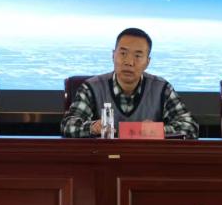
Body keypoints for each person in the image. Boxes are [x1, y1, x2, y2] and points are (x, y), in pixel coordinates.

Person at [61, 27, 198, 139]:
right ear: (113, 55)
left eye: (137, 56)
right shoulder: (91, 88)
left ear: (147, 62)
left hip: (147, 159)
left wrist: (158, 130)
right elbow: (68, 126)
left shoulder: (162, 89)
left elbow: (190, 127)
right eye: (123, 53)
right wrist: (92, 127)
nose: (129, 62)